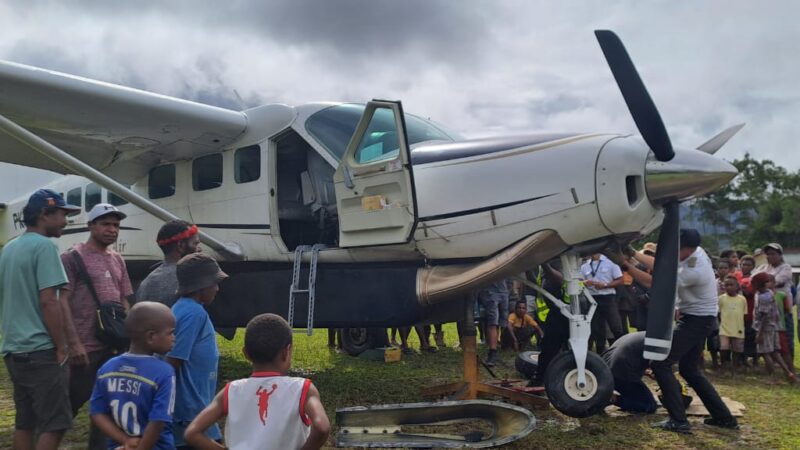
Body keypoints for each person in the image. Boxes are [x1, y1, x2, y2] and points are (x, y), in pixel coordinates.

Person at [0, 189, 80, 450]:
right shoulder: (45, 247)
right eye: (62, 214)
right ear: (45, 214)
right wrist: (61, 346)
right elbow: (49, 301)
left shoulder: (9, 248)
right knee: (55, 424)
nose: (65, 221)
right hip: (41, 351)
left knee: (26, 422)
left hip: (13, 350)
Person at [185, 313, 331, 450]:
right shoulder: (302, 388)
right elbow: (322, 427)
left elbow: (192, 433)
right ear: (287, 352)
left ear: (246, 354)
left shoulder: (231, 390)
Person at [60, 203, 133, 450]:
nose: (112, 230)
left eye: (116, 225)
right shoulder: (72, 257)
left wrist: (129, 336)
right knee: (67, 405)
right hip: (85, 345)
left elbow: (124, 299)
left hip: (113, 345)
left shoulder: (117, 259)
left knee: (110, 405)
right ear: (91, 225)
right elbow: (63, 302)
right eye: (105, 224)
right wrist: (73, 343)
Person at [649, 229, 738, 433]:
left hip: (697, 320)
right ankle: (724, 417)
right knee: (689, 370)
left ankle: (678, 420)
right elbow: (665, 265)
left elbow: (658, 279)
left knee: (661, 364)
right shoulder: (697, 253)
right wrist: (632, 256)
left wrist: (627, 262)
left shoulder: (694, 269)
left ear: (687, 249)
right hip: (699, 318)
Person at [89, 302, 177, 450]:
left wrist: (125, 440)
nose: (174, 338)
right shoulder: (164, 372)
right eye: (170, 333)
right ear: (151, 336)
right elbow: (158, 420)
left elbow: (96, 413)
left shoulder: (107, 368)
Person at [166, 253, 228, 448]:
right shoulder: (193, 313)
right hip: (191, 413)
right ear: (201, 285)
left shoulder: (184, 308)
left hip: (195, 408)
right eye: (214, 283)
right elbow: (172, 362)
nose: (217, 288)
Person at [137, 220, 201, 306]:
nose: (199, 250)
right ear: (180, 245)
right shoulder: (189, 280)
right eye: (195, 244)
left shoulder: (146, 283)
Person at [751, 272, 795, 383]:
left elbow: (764, 316)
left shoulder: (763, 297)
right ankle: (788, 373)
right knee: (774, 352)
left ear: (758, 284)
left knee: (766, 353)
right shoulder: (769, 293)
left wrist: (760, 333)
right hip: (773, 326)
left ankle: (772, 377)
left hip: (765, 328)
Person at [753, 243, 795, 359]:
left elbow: (776, 281)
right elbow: (754, 280)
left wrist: (763, 282)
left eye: (773, 254)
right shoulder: (763, 267)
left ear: (780, 255)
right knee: (769, 335)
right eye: (768, 254)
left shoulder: (786, 268)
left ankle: (789, 359)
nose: (770, 256)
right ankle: (774, 360)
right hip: (765, 309)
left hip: (782, 309)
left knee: (785, 336)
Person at [601, 331, 657, 414]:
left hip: (604, 366)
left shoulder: (645, 335)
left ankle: (611, 395)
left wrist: (646, 371)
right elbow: (662, 371)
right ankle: (610, 398)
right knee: (648, 405)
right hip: (620, 372)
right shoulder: (661, 344)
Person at [580, 253, 624, 353]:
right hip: (592, 298)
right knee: (597, 328)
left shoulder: (611, 263)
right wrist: (585, 282)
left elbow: (621, 280)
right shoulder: (585, 265)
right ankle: (601, 352)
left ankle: (621, 349)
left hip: (607, 297)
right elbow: (580, 281)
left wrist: (605, 285)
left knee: (615, 326)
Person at [477, 279, 510, 366]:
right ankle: (492, 352)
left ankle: (495, 350)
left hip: (503, 290)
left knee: (500, 322)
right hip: (489, 291)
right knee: (493, 322)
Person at [718, 276, 747, 375]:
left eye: (731, 285)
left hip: (738, 328)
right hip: (724, 328)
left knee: (737, 349)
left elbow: (744, 314)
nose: (729, 287)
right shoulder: (721, 298)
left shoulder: (742, 299)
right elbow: (718, 313)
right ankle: (724, 366)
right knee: (724, 348)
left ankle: (735, 368)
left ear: (737, 286)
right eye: (726, 285)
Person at [739, 255, 757, 366]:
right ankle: (741, 359)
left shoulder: (754, 279)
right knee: (740, 337)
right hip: (737, 313)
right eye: (743, 264)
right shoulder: (735, 276)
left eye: (748, 265)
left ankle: (753, 360)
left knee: (751, 336)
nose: (745, 267)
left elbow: (750, 293)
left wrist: (742, 287)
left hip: (750, 312)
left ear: (753, 267)